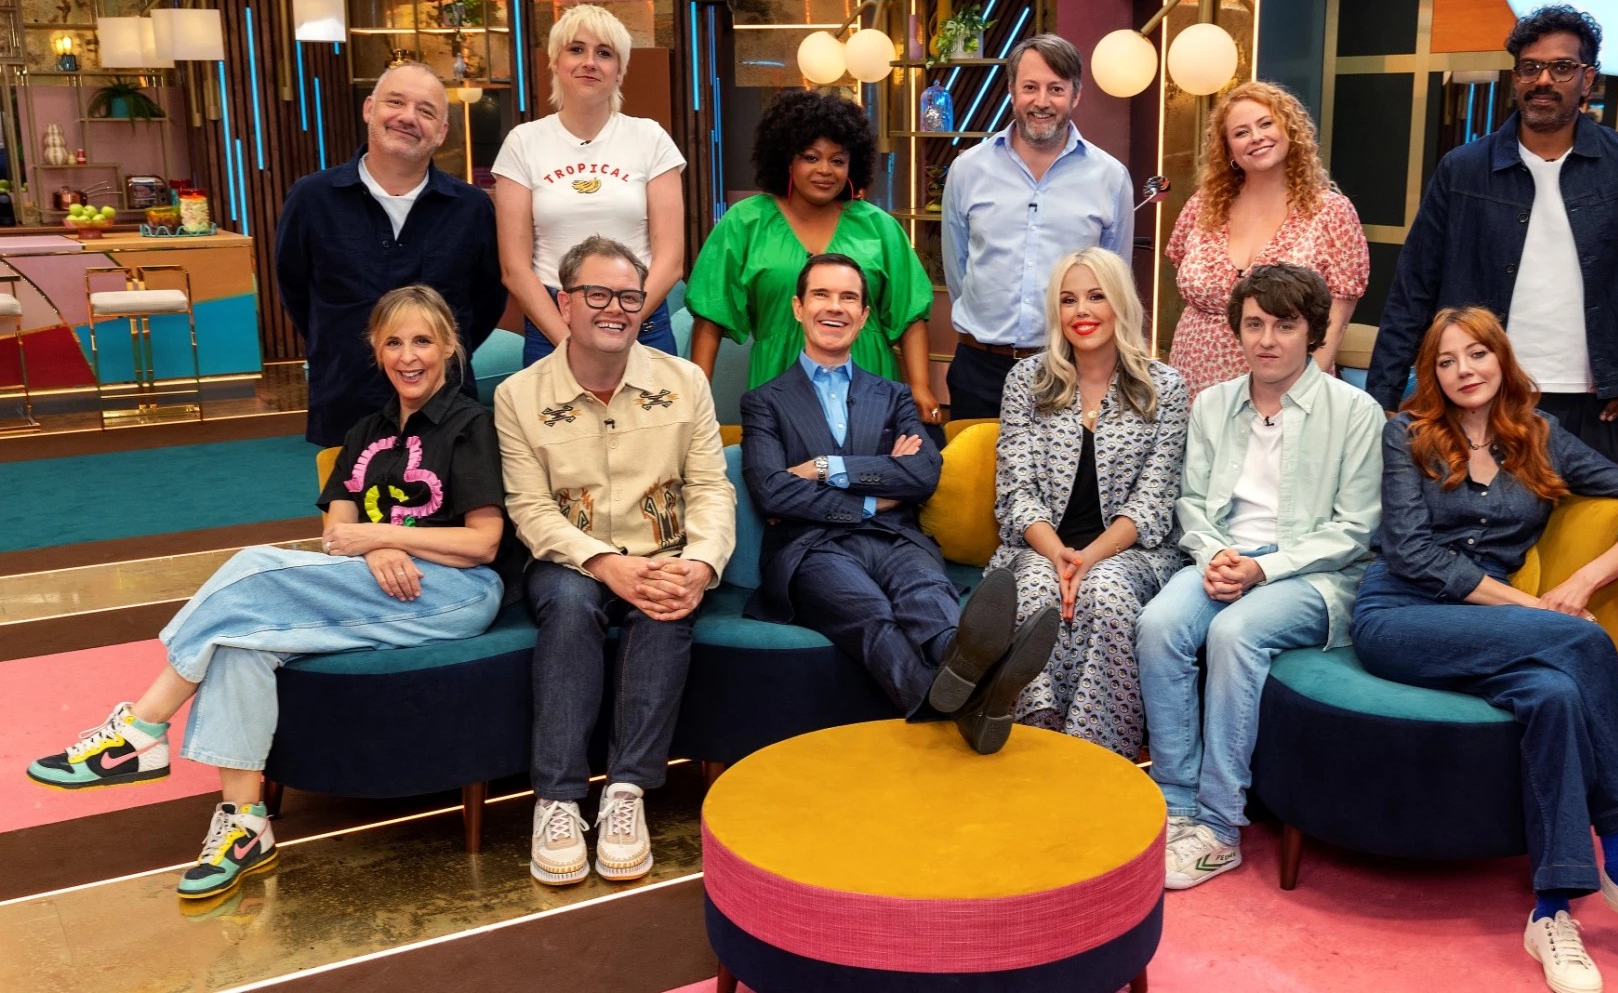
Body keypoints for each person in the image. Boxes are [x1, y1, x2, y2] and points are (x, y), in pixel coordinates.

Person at [29, 287, 510, 899]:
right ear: (375, 349)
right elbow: (336, 533)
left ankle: (142, 729)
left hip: (457, 592)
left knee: (254, 561)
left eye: (422, 340)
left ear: (448, 346)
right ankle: (243, 825)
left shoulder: (470, 425)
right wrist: (375, 545)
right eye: (393, 341)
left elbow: (485, 543)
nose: (408, 356)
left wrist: (378, 536)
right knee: (238, 645)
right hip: (374, 583)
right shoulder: (365, 431)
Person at [1353, 306, 1618, 993]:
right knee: (1584, 640)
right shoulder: (1405, 434)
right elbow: (1411, 553)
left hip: (1498, 630)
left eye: (1476, 354)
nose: (1464, 370)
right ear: (1432, 374)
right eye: (1447, 360)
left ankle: (1552, 910)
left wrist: (1583, 581)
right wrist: (1543, 611)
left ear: (1501, 359)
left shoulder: (1541, 437)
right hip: (1403, 618)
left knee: (1557, 694)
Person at [1367, 4, 1618, 468]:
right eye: (1530, 67)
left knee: (1584, 536)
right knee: (1478, 537)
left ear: (1588, 78)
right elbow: (1413, 287)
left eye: (1562, 67)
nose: (1543, 80)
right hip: (1481, 392)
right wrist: (1382, 394)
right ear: (1516, 77)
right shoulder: (1464, 170)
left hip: (1595, 401)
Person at [738, 252, 1057, 754]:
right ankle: (974, 700)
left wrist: (825, 467)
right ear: (799, 307)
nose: (835, 307)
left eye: (848, 298)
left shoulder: (893, 396)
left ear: (864, 316)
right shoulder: (765, 401)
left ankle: (963, 665)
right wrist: (873, 498)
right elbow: (773, 490)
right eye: (822, 295)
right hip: (811, 549)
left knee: (927, 596)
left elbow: (922, 472)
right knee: (870, 611)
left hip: (898, 538)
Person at [1135, 263, 1384, 890]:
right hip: (1226, 557)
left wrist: (1262, 568)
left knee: (1233, 635)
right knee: (1159, 622)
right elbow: (1190, 501)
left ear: (1312, 332)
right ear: (1236, 331)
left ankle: (1220, 829)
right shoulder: (1214, 403)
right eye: (1253, 324)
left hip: (1315, 575)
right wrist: (1216, 556)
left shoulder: (1355, 411)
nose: (1266, 339)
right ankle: (1177, 804)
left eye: (1284, 325)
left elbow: (1354, 530)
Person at [495, 234, 734, 887]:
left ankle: (626, 793)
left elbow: (712, 487)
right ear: (565, 303)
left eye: (629, 296)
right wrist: (603, 562)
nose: (615, 308)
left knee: (664, 603)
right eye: (597, 294)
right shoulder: (517, 395)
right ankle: (559, 799)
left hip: (663, 550)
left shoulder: (685, 382)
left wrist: (703, 564)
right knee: (571, 605)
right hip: (568, 560)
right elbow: (530, 509)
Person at [988, 248, 1188, 759]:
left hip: (1132, 554)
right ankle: (1034, 740)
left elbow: (1153, 502)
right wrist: (1059, 556)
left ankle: (1098, 755)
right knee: (1035, 586)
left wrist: (1088, 558)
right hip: (1040, 547)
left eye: (1096, 296)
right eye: (1069, 299)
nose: (1083, 311)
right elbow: (1016, 492)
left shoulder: (1164, 387)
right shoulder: (1026, 382)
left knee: (1105, 590)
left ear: (1120, 303)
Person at [277, 62, 507, 447]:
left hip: (445, 408)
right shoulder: (311, 198)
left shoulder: (471, 208)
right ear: (370, 108)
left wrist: (436, 353)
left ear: (442, 130)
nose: (407, 117)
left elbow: (486, 301)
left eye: (426, 110)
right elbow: (296, 292)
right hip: (347, 401)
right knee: (348, 507)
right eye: (395, 102)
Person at [687, 89, 938, 426]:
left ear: (853, 164)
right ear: (786, 159)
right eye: (810, 157)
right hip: (777, 387)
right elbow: (711, 314)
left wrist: (920, 386)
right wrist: (696, 393)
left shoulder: (879, 227)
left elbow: (909, 315)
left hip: (868, 386)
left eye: (837, 160)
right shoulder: (746, 222)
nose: (825, 170)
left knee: (870, 474)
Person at [941, 34, 1135, 420]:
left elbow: (1114, 282)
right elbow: (958, 269)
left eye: (1056, 89)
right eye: (1030, 87)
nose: (1042, 102)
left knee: (1063, 481)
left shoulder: (1110, 177)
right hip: (980, 368)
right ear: (1012, 91)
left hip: (1071, 369)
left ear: (1075, 95)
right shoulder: (968, 169)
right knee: (973, 478)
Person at [494, 5, 685, 365]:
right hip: (554, 324)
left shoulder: (650, 138)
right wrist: (573, 340)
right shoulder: (523, 142)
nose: (589, 62)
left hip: (640, 321)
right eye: (576, 49)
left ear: (620, 70)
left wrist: (621, 322)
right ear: (555, 62)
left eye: (604, 53)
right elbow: (515, 269)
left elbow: (671, 260)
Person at [1164, 80, 1368, 398]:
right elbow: (1178, 259)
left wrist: (1302, 390)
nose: (1256, 137)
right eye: (1241, 132)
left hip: (1286, 385)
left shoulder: (1332, 212)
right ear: (1228, 149)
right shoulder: (1203, 205)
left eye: (1266, 124)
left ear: (1289, 129)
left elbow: (1336, 320)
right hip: (1195, 381)